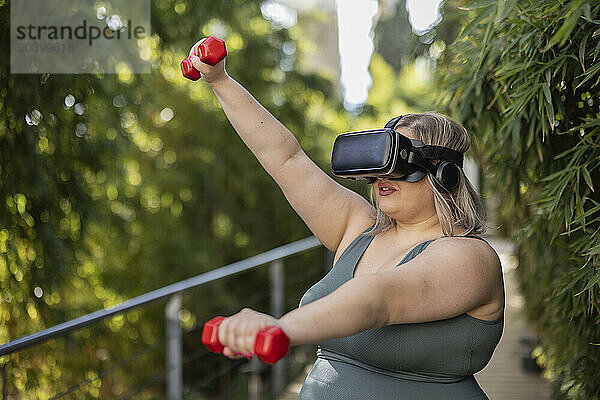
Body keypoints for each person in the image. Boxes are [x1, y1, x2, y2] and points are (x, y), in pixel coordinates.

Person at [188, 38, 505, 399]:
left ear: (444, 175)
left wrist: (279, 329)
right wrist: (220, 80)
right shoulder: (358, 227)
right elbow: (285, 159)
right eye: (378, 162)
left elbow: (378, 299)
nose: (383, 177)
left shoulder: (470, 257)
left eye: (399, 163)